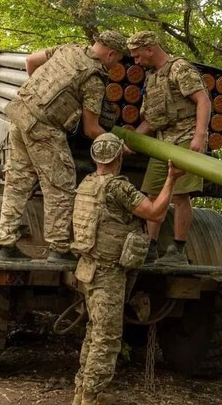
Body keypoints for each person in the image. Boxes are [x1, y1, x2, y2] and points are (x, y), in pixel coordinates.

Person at [0, 31, 129, 263]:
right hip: (44, 128)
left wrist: (39, 95)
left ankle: (6, 245)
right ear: (110, 53)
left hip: (20, 114)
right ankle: (58, 248)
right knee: (61, 185)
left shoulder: (69, 49)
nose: (115, 65)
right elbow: (91, 129)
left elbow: (30, 61)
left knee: (18, 181)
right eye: (117, 60)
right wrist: (118, 145)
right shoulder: (94, 78)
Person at [71, 133, 184, 405]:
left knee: (94, 332)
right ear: (118, 157)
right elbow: (156, 212)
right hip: (108, 271)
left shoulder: (87, 183)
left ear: (96, 157)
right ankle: (92, 397)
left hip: (88, 266)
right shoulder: (117, 188)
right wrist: (171, 179)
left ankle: (82, 392)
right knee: (107, 338)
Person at [126, 31, 211, 265]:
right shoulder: (152, 77)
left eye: (137, 55)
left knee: (181, 195)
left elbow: (203, 100)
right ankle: (151, 247)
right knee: (153, 193)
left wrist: (200, 135)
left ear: (150, 49)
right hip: (162, 144)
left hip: (185, 139)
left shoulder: (179, 68)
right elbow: (152, 120)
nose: (136, 61)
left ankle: (177, 250)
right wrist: (130, 142)